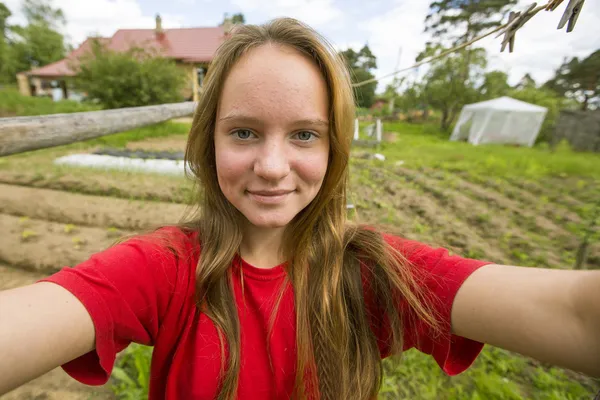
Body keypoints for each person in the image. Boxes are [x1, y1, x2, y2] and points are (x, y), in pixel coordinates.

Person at [0, 17, 599, 400]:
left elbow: (575, 314)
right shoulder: (167, 268)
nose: (271, 165)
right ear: (209, 140)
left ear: (336, 147)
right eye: (243, 132)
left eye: (304, 135)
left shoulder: (372, 272)